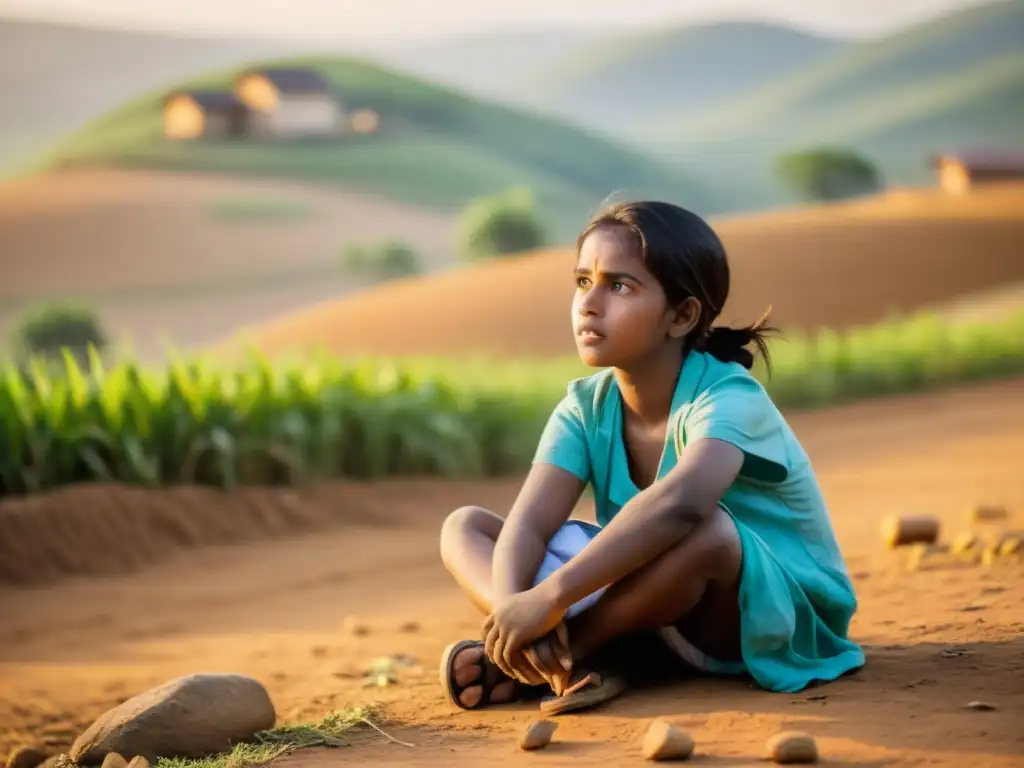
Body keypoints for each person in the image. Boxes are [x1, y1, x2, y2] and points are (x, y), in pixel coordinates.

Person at [438, 200, 865, 716]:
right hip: (652, 606)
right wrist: (513, 611)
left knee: (710, 532)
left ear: (681, 315)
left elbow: (682, 505)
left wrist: (549, 601)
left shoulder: (728, 397)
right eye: (581, 282)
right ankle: (537, 655)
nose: (589, 304)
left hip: (763, 615)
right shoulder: (583, 406)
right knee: (465, 528)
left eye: (618, 286)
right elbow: (528, 524)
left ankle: (580, 649)